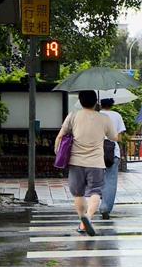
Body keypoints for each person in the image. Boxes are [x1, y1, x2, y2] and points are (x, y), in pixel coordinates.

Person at [55, 91, 118, 236]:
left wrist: (57, 153)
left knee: (78, 194)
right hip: (96, 162)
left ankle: (82, 219)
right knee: (95, 192)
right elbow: (114, 137)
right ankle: (87, 218)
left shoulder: (73, 115)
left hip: (75, 161)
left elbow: (61, 136)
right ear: (96, 102)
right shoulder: (104, 118)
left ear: (80, 100)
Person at [98, 98, 126, 220]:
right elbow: (119, 138)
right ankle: (105, 208)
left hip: (96, 152)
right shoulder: (117, 116)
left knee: (96, 179)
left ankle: (95, 201)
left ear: (100, 104)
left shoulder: (95, 116)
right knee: (110, 180)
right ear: (112, 104)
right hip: (112, 151)